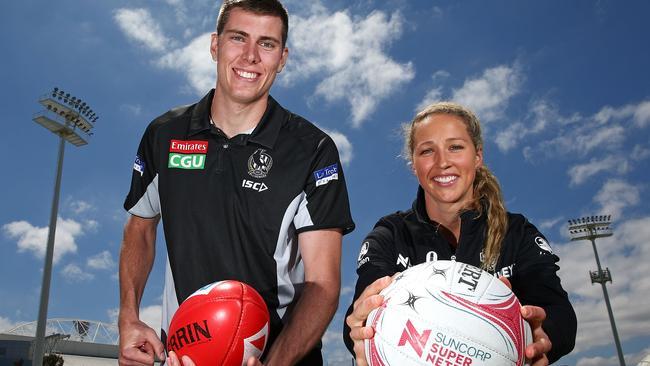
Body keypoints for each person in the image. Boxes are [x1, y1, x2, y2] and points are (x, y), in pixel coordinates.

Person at [118, 1, 355, 365]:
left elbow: (323, 284)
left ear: (283, 57)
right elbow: (141, 229)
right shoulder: (164, 134)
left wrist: (275, 362)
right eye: (238, 38)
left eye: (267, 44)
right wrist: (129, 317)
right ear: (215, 45)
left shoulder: (313, 149)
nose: (250, 56)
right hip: (187, 355)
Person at [343, 102, 576, 365]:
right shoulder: (390, 234)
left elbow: (560, 314)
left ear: (477, 156)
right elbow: (359, 315)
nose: (443, 162)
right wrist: (358, 326)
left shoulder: (517, 233)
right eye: (427, 151)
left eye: (455, 147)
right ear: (413, 165)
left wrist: (542, 334)